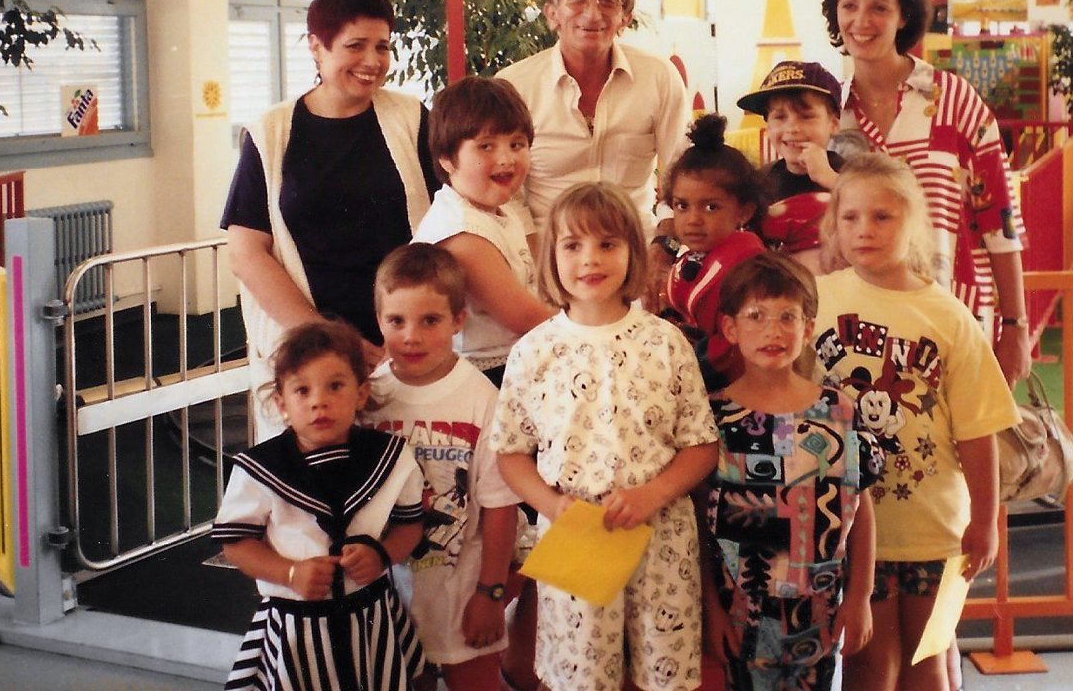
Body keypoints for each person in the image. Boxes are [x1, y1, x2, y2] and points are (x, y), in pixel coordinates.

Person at [490, 183, 719, 691]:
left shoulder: (665, 341)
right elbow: (511, 454)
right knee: (581, 676)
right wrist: (551, 507)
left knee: (661, 674)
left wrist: (651, 494)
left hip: (660, 538)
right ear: (551, 256)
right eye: (573, 245)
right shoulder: (534, 352)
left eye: (608, 244)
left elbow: (701, 445)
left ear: (633, 253)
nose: (589, 259)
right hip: (576, 537)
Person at [809, 156, 1018, 691]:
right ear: (833, 224)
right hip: (851, 529)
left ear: (914, 224)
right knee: (868, 665)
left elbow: (977, 429)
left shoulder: (947, 316)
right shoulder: (819, 299)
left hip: (937, 530)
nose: (865, 231)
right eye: (851, 217)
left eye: (882, 217)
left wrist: (986, 518)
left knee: (928, 663)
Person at [222, 0, 437, 439]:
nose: (372, 62)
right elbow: (247, 252)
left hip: (402, 345)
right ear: (317, 48)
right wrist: (332, 342)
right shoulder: (272, 131)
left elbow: (450, 214)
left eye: (383, 47)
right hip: (309, 354)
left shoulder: (411, 118)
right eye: (355, 46)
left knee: (409, 484)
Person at [819, 0, 1032, 387]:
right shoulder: (828, 113)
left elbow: (1001, 221)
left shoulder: (952, 100)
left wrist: (1016, 327)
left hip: (956, 313)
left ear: (903, 16)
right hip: (859, 331)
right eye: (849, 5)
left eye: (879, 7)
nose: (861, 21)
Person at [700, 253, 883, 691]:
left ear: (807, 328)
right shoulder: (713, 417)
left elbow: (861, 510)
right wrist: (712, 608)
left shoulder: (838, 411)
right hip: (740, 612)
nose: (772, 330)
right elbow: (699, 526)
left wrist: (859, 597)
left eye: (787, 317)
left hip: (818, 611)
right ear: (730, 328)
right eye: (756, 316)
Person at [213, 319, 427, 691]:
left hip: (371, 618)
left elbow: (410, 525)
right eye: (302, 390)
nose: (318, 401)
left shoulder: (391, 457)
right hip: (296, 625)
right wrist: (289, 573)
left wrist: (382, 555)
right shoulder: (258, 469)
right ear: (281, 403)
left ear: (361, 394)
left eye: (335, 386)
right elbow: (236, 543)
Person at [367, 244, 522, 691]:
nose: (411, 336)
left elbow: (499, 505)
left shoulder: (481, 399)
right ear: (378, 319)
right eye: (396, 321)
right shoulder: (369, 398)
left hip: (461, 593)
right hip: (387, 595)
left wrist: (491, 594)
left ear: (458, 320)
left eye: (429, 320)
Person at [499, 0, 689, 295]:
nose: (592, 13)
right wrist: (540, 258)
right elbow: (503, 190)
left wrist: (663, 246)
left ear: (624, 19)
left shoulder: (659, 77)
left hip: (638, 257)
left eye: (607, 2)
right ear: (552, 14)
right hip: (546, 258)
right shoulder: (514, 86)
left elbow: (685, 174)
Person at [412, 76, 555, 387]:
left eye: (517, 144)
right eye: (486, 146)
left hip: (517, 360)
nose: (506, 158)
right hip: (484, 377)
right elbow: (525, 318)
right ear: (447, 158)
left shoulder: (496, 210)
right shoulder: (462, 234)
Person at [660, 113, 768, 387]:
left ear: (743, 211)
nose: (693, 219)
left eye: (710, 207)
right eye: (682, 206)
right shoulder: (691, 257)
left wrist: (688, 365)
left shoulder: (748, 267)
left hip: (737, 387)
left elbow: (738, 341)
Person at [736, 60, 846, 274]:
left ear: (833, 123)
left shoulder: (854, 176)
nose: (792, 128)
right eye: (779, 117)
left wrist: (830, 178)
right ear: (767, 126)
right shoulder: (758, 183)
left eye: (806, 116)